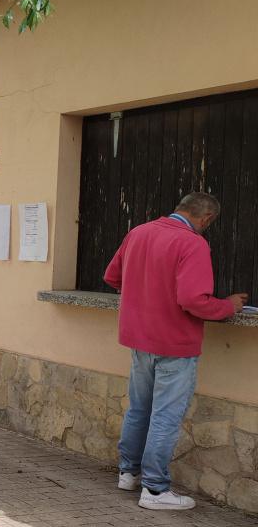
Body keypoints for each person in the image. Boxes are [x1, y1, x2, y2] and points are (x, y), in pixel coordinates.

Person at [103, 192, 247, 510]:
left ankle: (129, 473)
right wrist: (228, 305)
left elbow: (112, 277)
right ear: (207, 218)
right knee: (165, 416)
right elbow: (193, 300)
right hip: (175, 345)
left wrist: (145, 291)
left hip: (140, 340)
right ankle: (154, 490)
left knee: (139, 409)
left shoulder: (138, 232)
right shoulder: (193, 243)